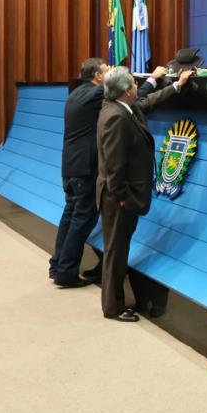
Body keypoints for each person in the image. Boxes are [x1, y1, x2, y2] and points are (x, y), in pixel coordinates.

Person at [50, 60, 168, 286]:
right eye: (107, 71)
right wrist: (153, 79)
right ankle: (65, 272)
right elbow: (132, 96)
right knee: (81, 221)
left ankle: (57, 265)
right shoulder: (98, 95)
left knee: (70, 217)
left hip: (70, 166)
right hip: (86, 169)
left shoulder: (75, 93)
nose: (110, 72)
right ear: (97, 77)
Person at [97, 66, 194, 322]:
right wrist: (123, 198)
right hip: (118, 198)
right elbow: (114, 166)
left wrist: (177, 85)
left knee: (118, 249)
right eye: (133, 84)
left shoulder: (121, 108)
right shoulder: (117, 117)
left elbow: (148, 102)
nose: (136, 87)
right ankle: (113, 307)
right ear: (126, 91)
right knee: (116, 252)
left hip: (121, 196)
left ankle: (114, 301)